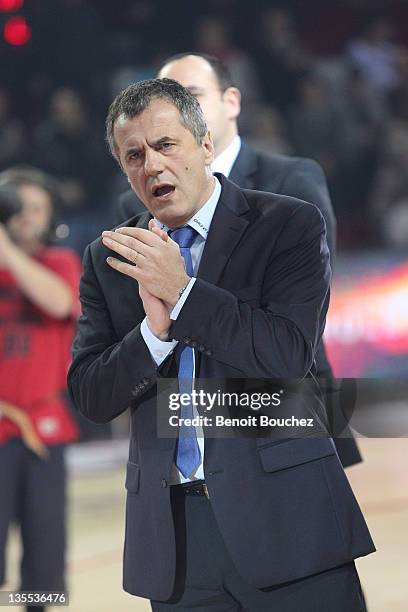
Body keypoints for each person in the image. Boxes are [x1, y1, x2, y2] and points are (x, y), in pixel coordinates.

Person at [68, 78, 374, 611]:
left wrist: (182, 294)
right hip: (176, 545)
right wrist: (153, 334)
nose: (152, 166)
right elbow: (92, 397)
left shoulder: (287, 223)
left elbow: (286, 355)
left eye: (166, 145)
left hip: (288, 527)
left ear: (205, 145)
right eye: (133, 155)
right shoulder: (109, 257)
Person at [117, 52, 361, 468]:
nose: (175, 109)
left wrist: (185, 295)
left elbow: (309, 290)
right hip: (187, 416)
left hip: (283, 392)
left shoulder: (291, 179)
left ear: (231, 101)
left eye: (190, 95)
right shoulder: (133, 202)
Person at [0, 167, 81, 612]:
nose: (27, 218)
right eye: (18, 208)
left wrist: (9, 255)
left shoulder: (60, 262)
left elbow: (59, 302)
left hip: (42, 430)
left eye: (37, 209)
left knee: (45, 557)